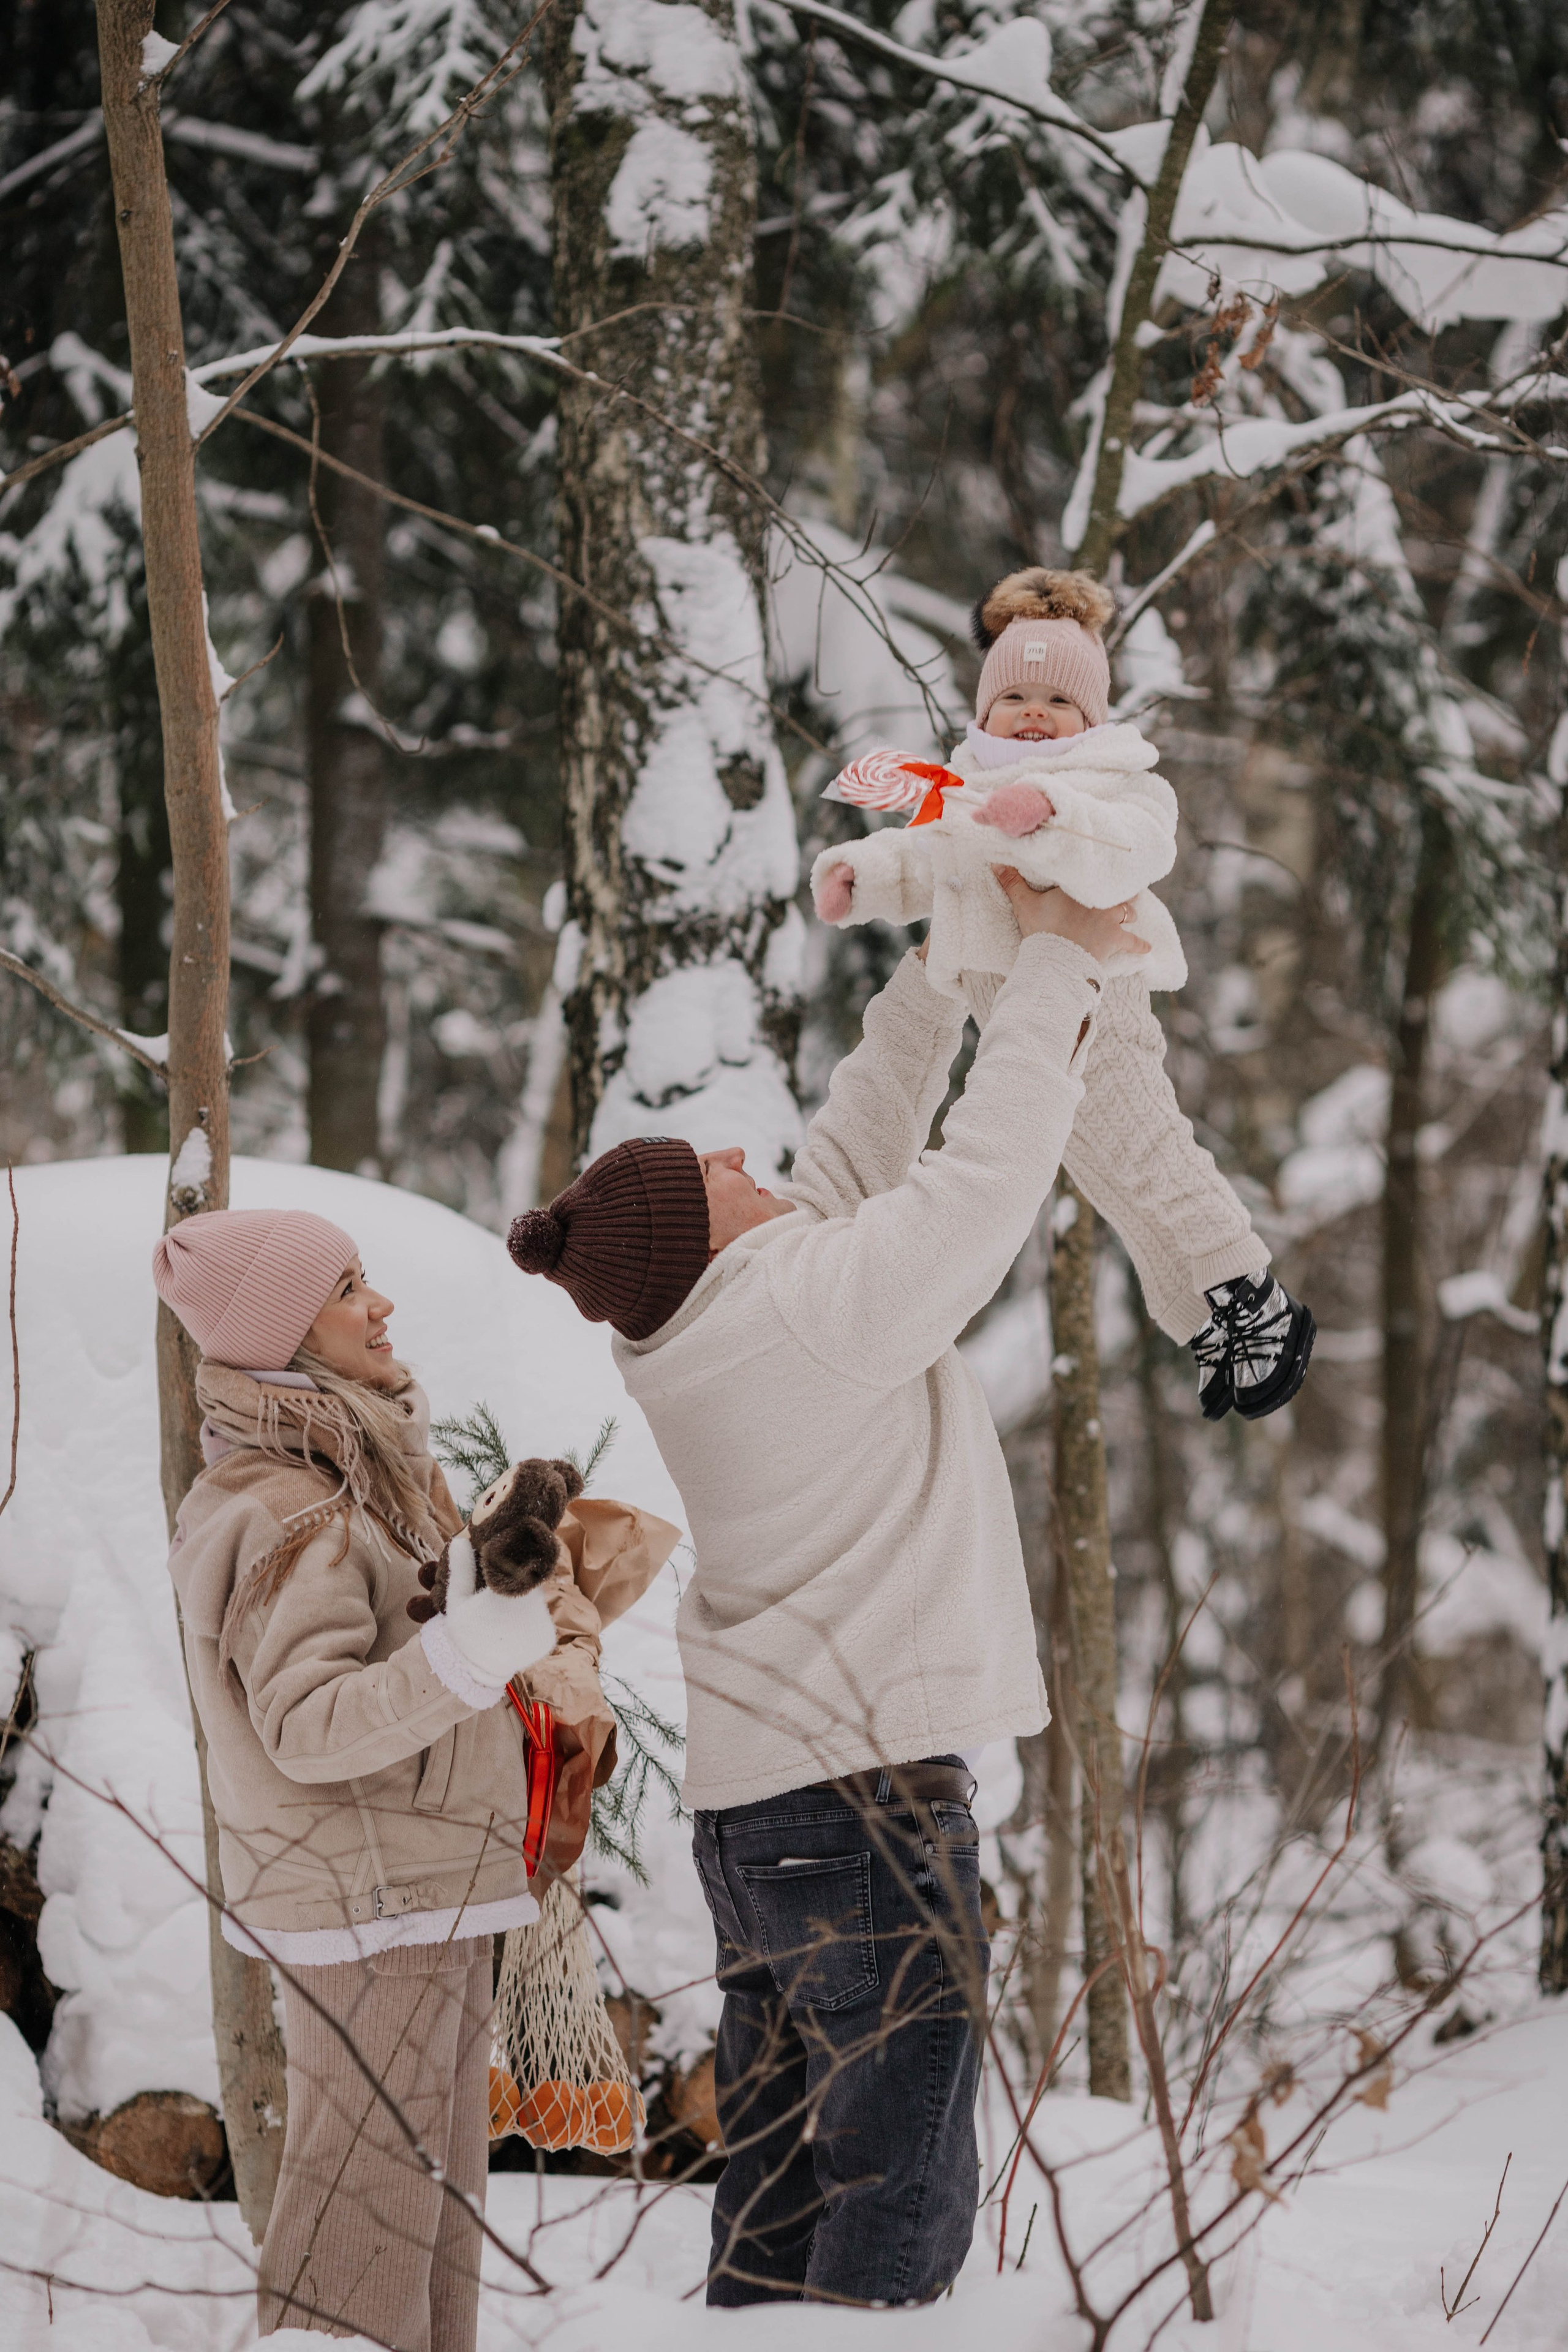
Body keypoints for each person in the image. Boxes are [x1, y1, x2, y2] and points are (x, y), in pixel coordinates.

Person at [507, 875, 1136, 2305]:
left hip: (763, 1823)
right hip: (862, 1815)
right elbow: (983, 1177)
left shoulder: (719, 1319)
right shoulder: (807, 1308)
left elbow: (849, 1152)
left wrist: (937, 970)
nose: (744, 1150)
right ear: (715, 1239)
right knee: (893, 2187)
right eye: (715, 1168)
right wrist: (1050, 967)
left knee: (784, 2181)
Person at [153, 1207, 673, 2351]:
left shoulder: (360, 1478)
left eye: (366, 1278)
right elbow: (306, 1723)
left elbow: (414, 1640)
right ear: (284, 1337)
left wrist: (495, 1579)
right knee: (362, 2226)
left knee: (429, 2217)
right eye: (344, 1289)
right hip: (368, 1907)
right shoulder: (288, 1507)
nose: (379, 1304)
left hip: (417, 1895)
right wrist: (470, 1651)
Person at [810, 565, 1314, 1422]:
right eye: (1017, 697)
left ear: (1094, 718)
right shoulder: (959, 791)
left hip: (1090, 986)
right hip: (1016, 1018)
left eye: (1060, 700)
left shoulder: (1113, 780)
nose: (1036, 713)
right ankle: (1203, 1320)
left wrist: (1043, 811)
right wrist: (862, 877)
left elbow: (1132, 848)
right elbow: (926, 861)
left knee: (1143, 1140)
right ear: (983, 712)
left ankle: (1250, 1288)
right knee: (1101, 1167)